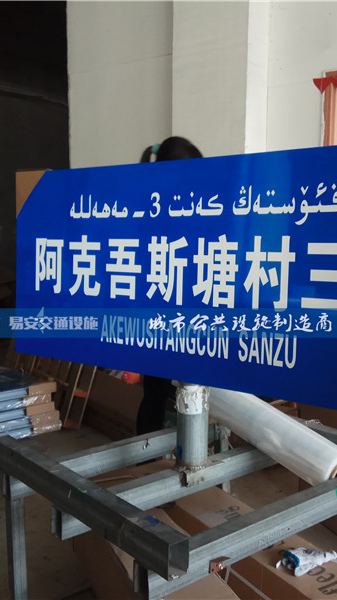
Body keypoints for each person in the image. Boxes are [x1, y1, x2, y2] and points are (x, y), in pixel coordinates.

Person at [136, 136, 202, 434]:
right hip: (163, 311)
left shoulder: (166, 203)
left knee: (161, 390)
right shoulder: (160, 209)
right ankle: (150, 452)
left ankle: (155, 449)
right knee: (160, 391)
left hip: (173, 309)